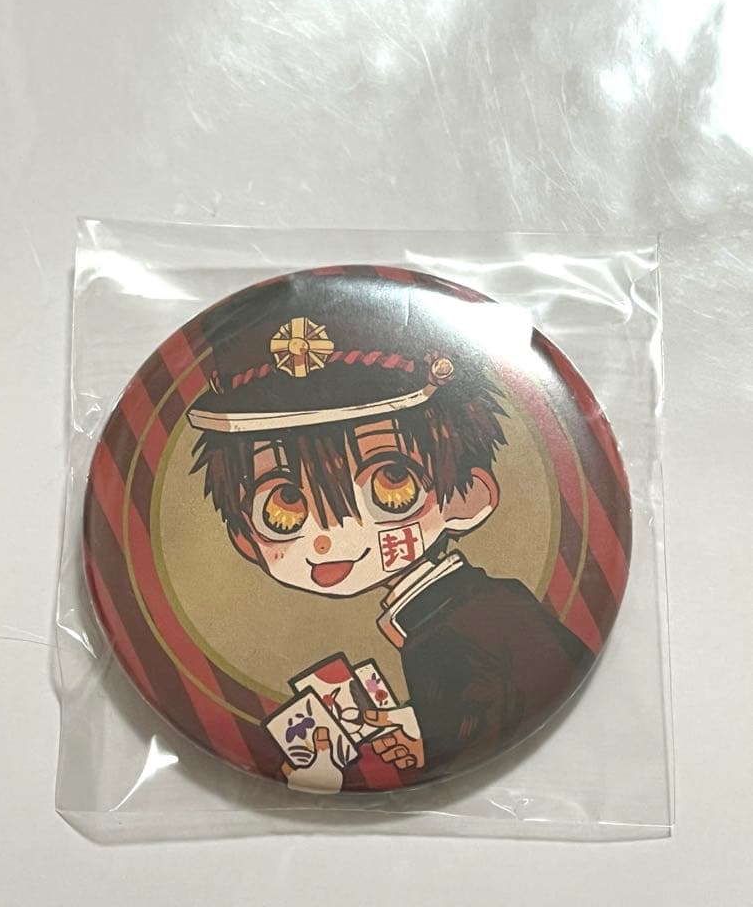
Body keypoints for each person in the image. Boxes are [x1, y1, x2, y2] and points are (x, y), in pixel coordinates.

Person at [187, 268, 593, 787]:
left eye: (391, 485)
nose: (330, 536)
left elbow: (492, 711)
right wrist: (417, 731)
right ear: (246, 538)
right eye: (285, 506)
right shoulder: (471, 612)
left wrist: (394, 757)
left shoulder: (452, 632)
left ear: (467, 498)